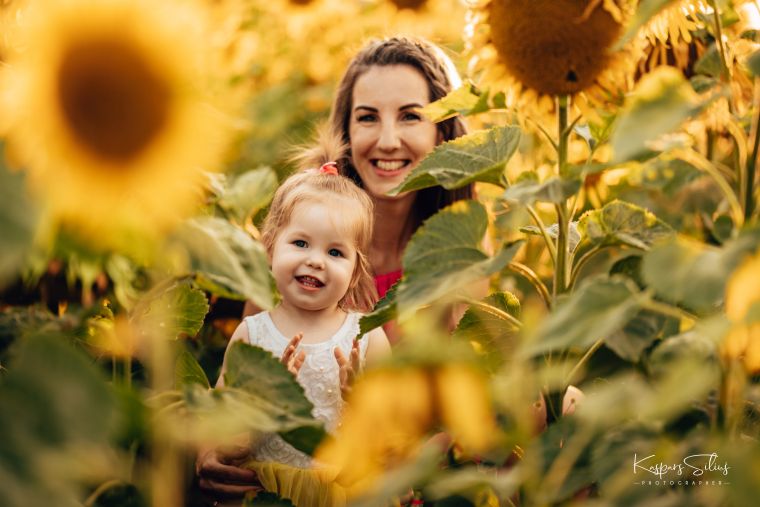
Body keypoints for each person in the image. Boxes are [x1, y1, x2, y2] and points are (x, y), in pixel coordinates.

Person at [198, 35, 475, 503]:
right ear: (346, 132)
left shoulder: (461, 254)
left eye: (411, 116)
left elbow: (473, 409)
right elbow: (237, 387)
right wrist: (209, 449)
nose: (388, 140)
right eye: (367, 117)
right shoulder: (292, 260)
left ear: (442, 134)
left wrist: (413, 463)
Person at [197, 164, 391, 506]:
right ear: (270, 250)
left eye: (335, 252)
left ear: (355, 269)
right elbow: (220, 431)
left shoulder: (366, 337)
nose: (316, 261)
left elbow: (395, 433)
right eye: (301, 243)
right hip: (265, 489)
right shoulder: (251, 335)